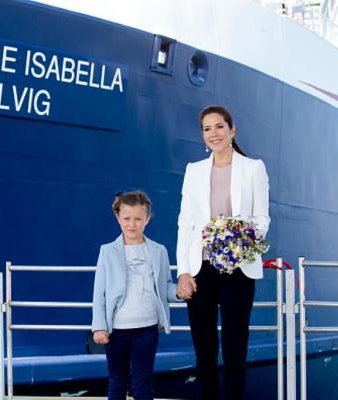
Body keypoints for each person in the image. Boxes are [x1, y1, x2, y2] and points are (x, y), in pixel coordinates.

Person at [175, 105, 270, 400]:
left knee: (234, 351)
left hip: (238, 269)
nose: (213, 133)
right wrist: (183, 272)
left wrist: (236, 245)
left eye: (219, 127)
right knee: (204, 352)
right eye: (207, 129)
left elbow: (262, 220)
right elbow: (185, 225)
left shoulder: (253, 168)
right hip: (200, 270)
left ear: (232, 130)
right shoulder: (193, 171)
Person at [92, 191, 178, 400]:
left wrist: (179, 292)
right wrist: (99, 326)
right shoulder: (107, 251)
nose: (132, 224)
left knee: (143, 383)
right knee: (117, 382)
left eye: (138, 218)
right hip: (116, 330)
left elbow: (165, 286)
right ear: (118, 218)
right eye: (126, 218)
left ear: (147, 219)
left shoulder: (159, 251)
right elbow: (99, 292)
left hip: (147, 328)